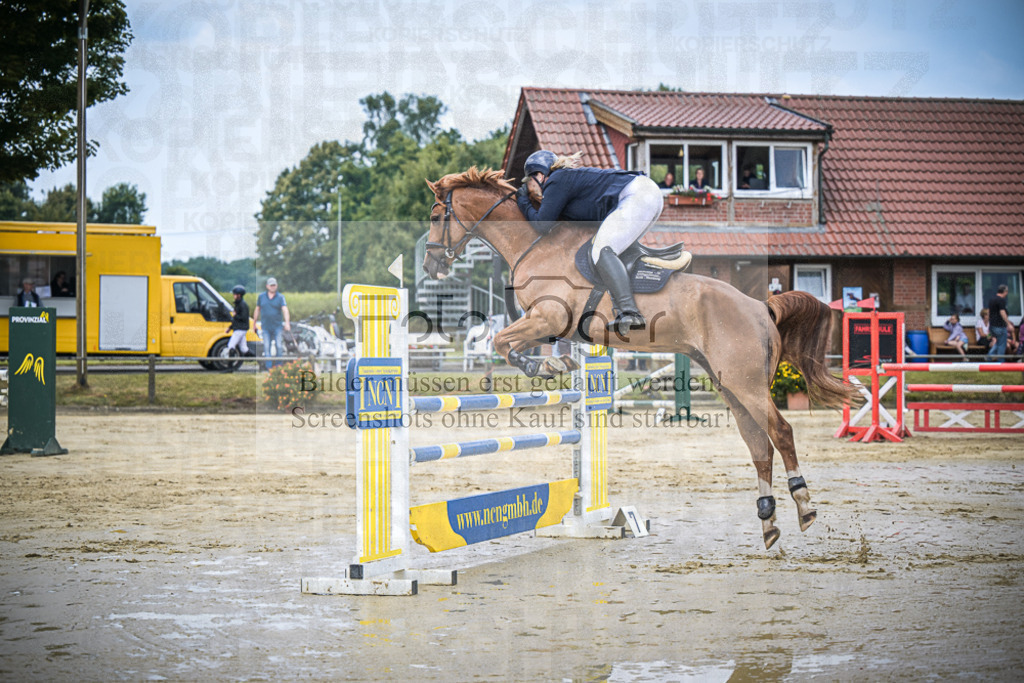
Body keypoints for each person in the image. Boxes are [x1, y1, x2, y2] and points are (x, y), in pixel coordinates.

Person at [516, 149, 691, 336]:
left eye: (531, 183)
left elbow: (542, 224)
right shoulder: (564, 180)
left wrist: (522, 201)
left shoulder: (556, 180)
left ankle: (630, 312)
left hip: (637, 196)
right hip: (645, 195)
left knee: (601, 251)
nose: (532, 188)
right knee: (612, 248)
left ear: (540, 175)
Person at [252, 277, 290, 369]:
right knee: (266, 347)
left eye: (274, 285)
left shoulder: (280, 297)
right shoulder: (261, 297)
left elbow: (285, 310)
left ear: (277, 286)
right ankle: (268, 367)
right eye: (271, 285)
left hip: (277, 326)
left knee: (279, 346)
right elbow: (257, 309)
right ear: (267, 286)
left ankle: (278, 366)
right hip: (265, 327)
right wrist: (254, 323)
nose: (273, 287)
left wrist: (287, 323)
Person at [225, 285, 254, 366]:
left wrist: (235, 315)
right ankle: (259, 360)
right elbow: (236, 319)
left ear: (239, 295)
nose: (233, 296)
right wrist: (230, 328)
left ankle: (230, 366)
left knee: (231, 345)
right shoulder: (238, 304)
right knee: (244, 349)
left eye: (234, 294)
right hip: (240, 328)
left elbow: (243, 318)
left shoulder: (242, 305)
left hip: (240, 329)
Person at [986, 284, 1014, 361]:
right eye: (1007, 291)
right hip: (1000, 326)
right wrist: (1008, 324)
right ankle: (1000, 362)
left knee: (998, 343)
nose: (1007, 293)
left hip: (992, 326)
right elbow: (1002, 312)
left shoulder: (992, 299)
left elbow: (989, 312)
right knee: (1002, 345)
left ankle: (989, 357)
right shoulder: (1001, 300)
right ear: (1004, 291)